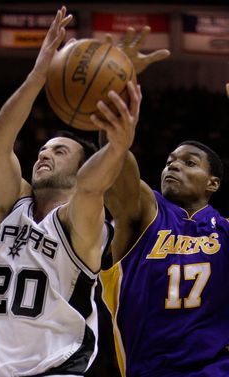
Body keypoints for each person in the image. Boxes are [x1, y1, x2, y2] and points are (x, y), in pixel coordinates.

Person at [0, 6, 141, 377]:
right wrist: (37, 75)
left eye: (59, 151)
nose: (45, 154)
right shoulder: (12, 205)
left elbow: (92, 187)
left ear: (80, 167)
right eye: (42, 150)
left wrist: (116, 146)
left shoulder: (82, 223)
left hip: (57, 371)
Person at [92, 52, 229, 376]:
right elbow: (113, 164)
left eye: (189, 162)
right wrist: (119, 86)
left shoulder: (224, 230)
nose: (174, 165)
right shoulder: (145, 211)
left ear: (213, 183)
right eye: (170, 161)